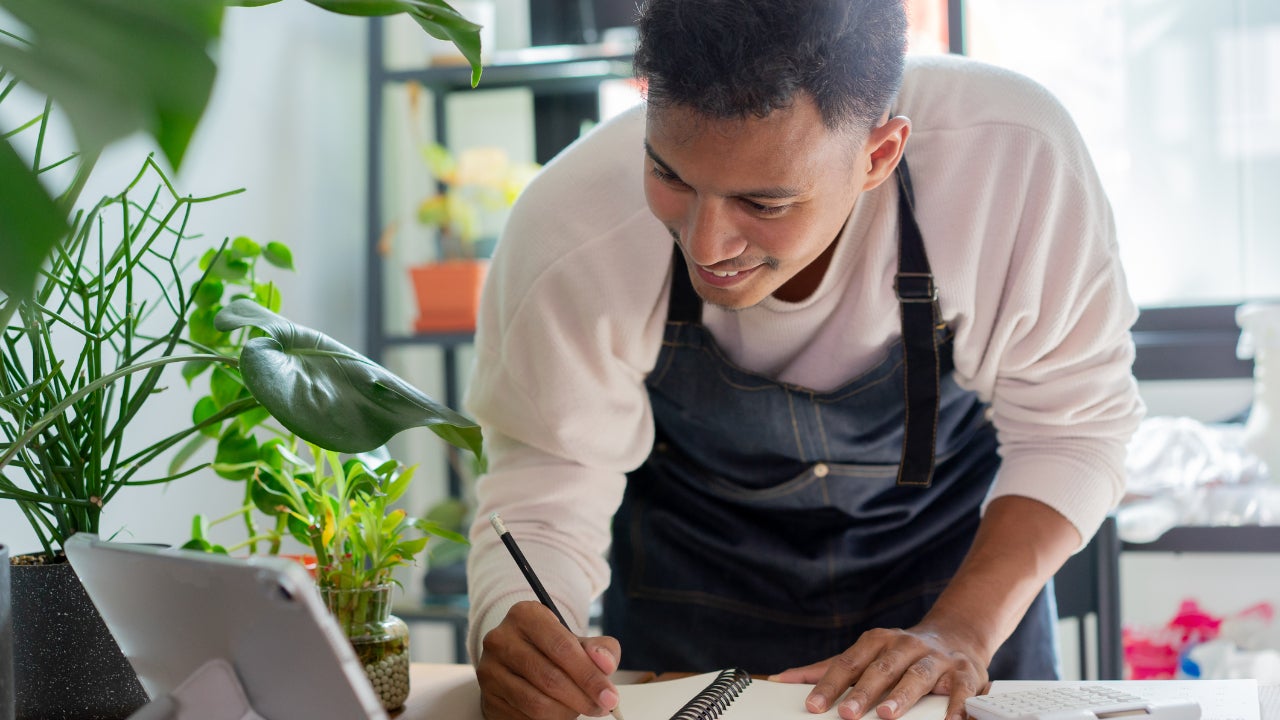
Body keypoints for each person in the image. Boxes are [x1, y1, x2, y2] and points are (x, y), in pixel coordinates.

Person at [463, 0, 1144, 718]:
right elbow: (548, 479)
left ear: (878, 155)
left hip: (953, 593)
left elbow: (1074, 431)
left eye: (764, 202)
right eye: (671, 176)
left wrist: (961, 629)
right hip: (691, 615)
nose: (705, 245)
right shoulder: (571, 227)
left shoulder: (1009, 159)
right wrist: (516, 625)